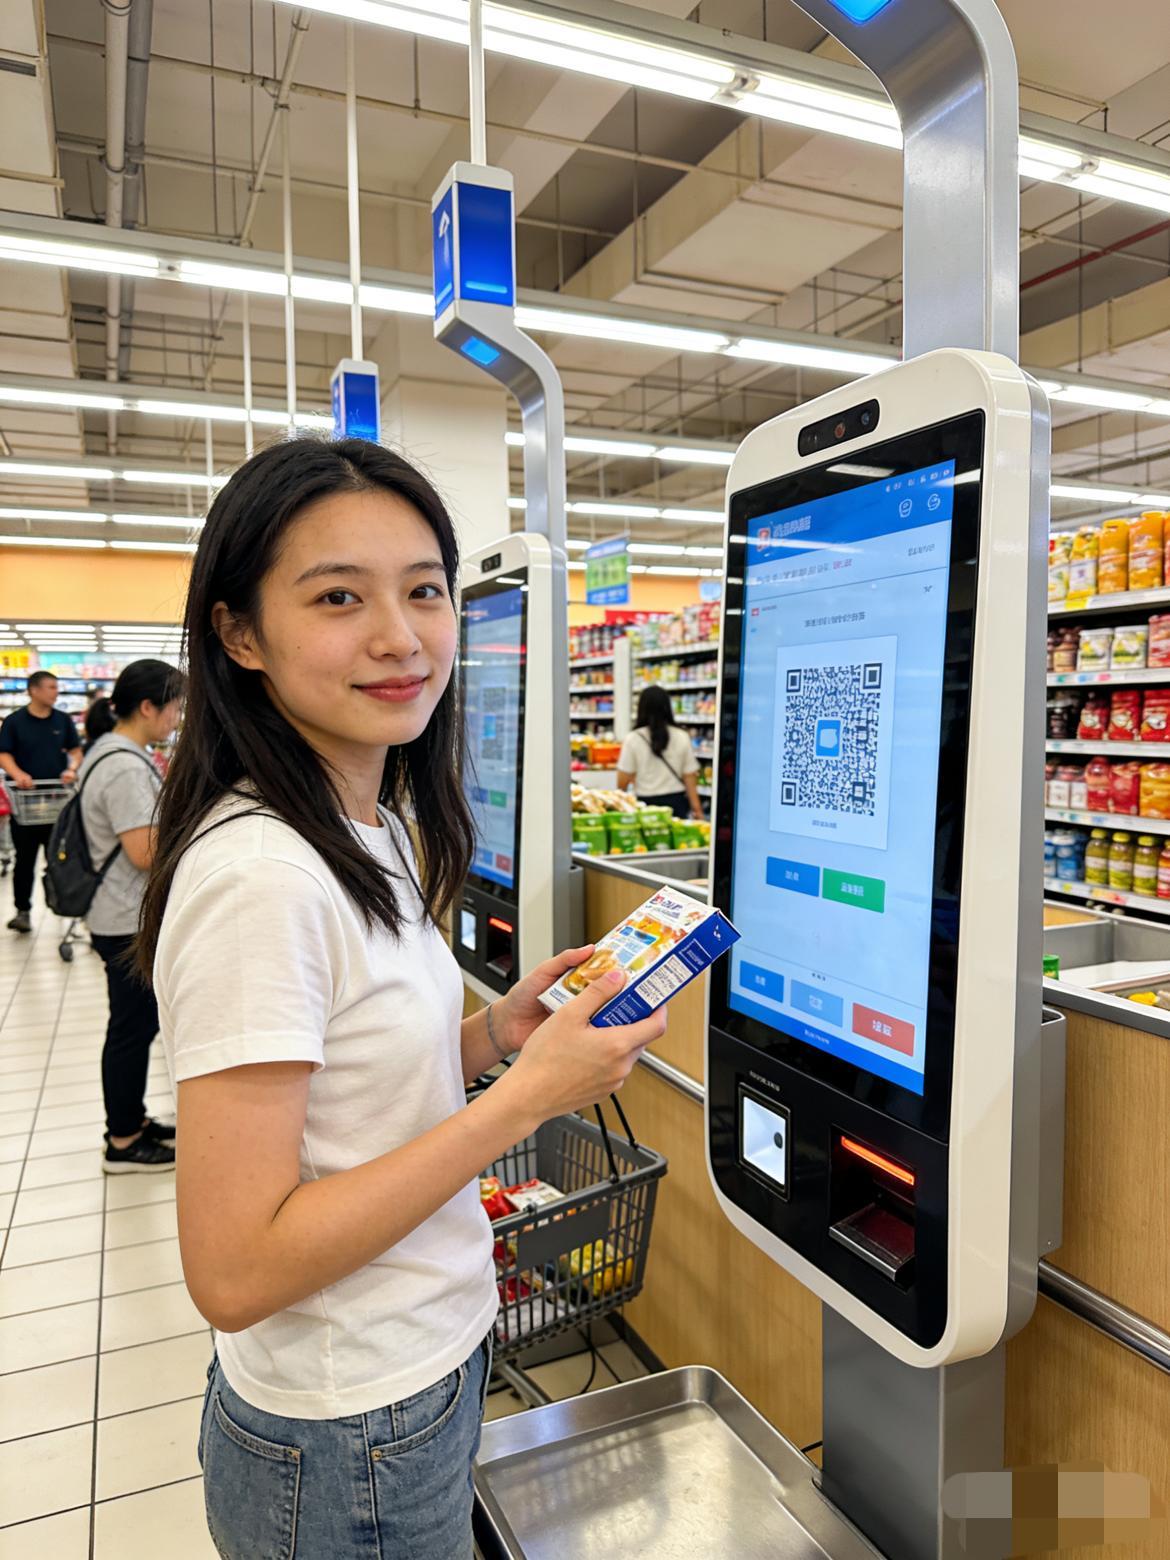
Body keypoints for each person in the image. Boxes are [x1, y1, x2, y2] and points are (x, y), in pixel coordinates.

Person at [136, 437, 665, 1560]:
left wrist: (493, 1033)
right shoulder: (262, 877)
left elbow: (344, 1079)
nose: (400, 636)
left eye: (425, 591)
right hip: (351, 1429)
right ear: (239, 634)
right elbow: (234, 1269)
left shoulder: (360, 824)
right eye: (339, 597)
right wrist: (523, 1098)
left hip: (411, 1374)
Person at [80, 659, 185, 1173]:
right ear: (147, 707)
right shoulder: (123, 765)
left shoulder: (108, 751)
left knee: (133, 1026)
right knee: (131, 1029)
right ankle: (122, 1141)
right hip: (125, 918)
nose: (177, 718)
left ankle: (133, 1121)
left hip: (117, 912)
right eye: (175, 707)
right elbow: (144, 851)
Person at [0, 670, 82, 933]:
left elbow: (76, 751)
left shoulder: (63, 720)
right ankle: (22, 911)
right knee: (24, 860)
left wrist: (72, 769)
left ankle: (63, 905)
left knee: (58, 860)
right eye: (51, 687)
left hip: (56, 801)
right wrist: (18, 774)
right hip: (25, 803)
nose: (56, 692)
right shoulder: (14, 721)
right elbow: (3, 754)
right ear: (33, 690)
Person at [617, 684, 704, 820]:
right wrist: (697, 809)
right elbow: (689, 776)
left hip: (645, 804)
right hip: (676, 803)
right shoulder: (682, 736)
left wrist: (620, 803)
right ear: (668, 707)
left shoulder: (633, 738)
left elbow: (623, 778)